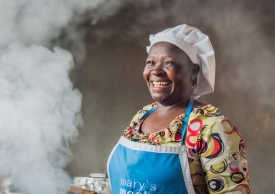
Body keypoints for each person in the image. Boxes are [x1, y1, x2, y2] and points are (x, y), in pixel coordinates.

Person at [107, 24, 250, 194]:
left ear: (194, 72)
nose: (156, 71)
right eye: (150, 62)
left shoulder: (212, 125)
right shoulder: (142, 115)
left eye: (168, 63)